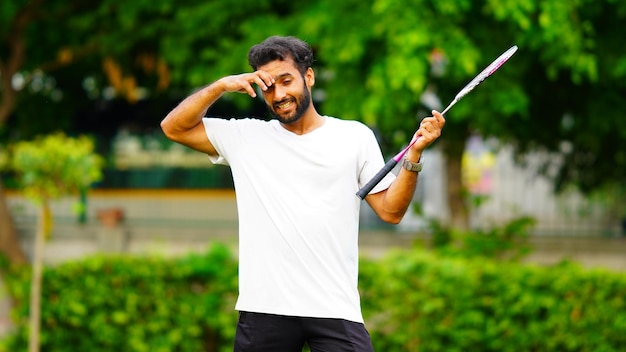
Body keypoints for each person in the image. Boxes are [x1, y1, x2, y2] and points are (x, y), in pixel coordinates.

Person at [161, 35, 445, 352]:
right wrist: (220, 87)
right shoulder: (244, 136)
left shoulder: (354, 137)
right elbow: (174, 128)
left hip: (335, 309)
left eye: (286, 81)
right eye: (268, 87)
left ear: (308, 77)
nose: (279, 94)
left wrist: (414, 155)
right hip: (265, 309)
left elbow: (391, 211)